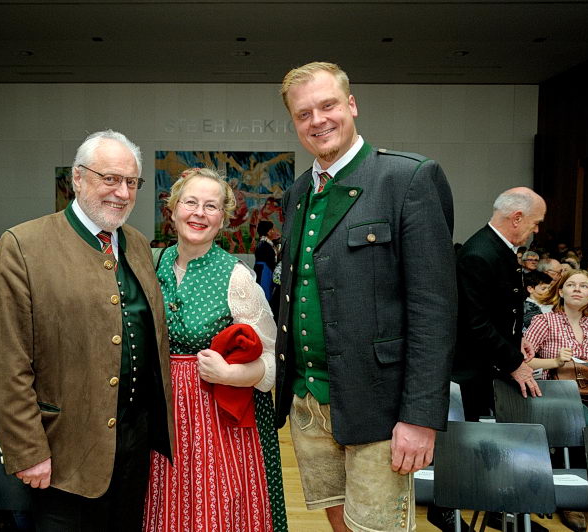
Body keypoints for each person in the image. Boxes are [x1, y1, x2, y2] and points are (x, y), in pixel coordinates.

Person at [274, 62, 456, 532]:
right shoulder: (297, 193)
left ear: (351, 105)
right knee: (339, 523)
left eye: (328, 105)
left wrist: (420, 417)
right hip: (310, 402)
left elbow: (433, 310)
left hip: (381, 405)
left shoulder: (408, 178)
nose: (317, 120)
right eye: (303, 113)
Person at [0, 130, 174, 531]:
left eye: (131, 182)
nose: (122, 192)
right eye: (110, 178)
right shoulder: (25, 245)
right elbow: (7, 362)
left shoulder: (138, 245)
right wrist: (28, 450)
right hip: (62, 450)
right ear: (77, 177)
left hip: (133, 444)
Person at [144, 168, 286, 532]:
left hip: (217, 421)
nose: (199, 213)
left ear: (222, 219)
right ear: (173, 209)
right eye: (190, 202)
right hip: (162, 415)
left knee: (214, 510)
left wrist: (231, 373)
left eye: (211, 206)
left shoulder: (236, 277)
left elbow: (272, 359)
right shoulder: (151, 264)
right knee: (164, 509)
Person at [456, 187, 545, 424]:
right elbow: (475, 323)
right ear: (517, 218)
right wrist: (514, 363)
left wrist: (516, 338)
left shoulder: (498, 248)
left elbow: (501, 309)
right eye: (536, 222)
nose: (536, 230)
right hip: (475, 371)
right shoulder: (479, 254)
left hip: (491, 363)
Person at [524, 269, 588, 427]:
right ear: (561, 292)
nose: (577, 289)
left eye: (584, 286)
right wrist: (555, 362)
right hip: (556, 393)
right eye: (571, 285)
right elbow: (523, 362)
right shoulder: (544, 321)